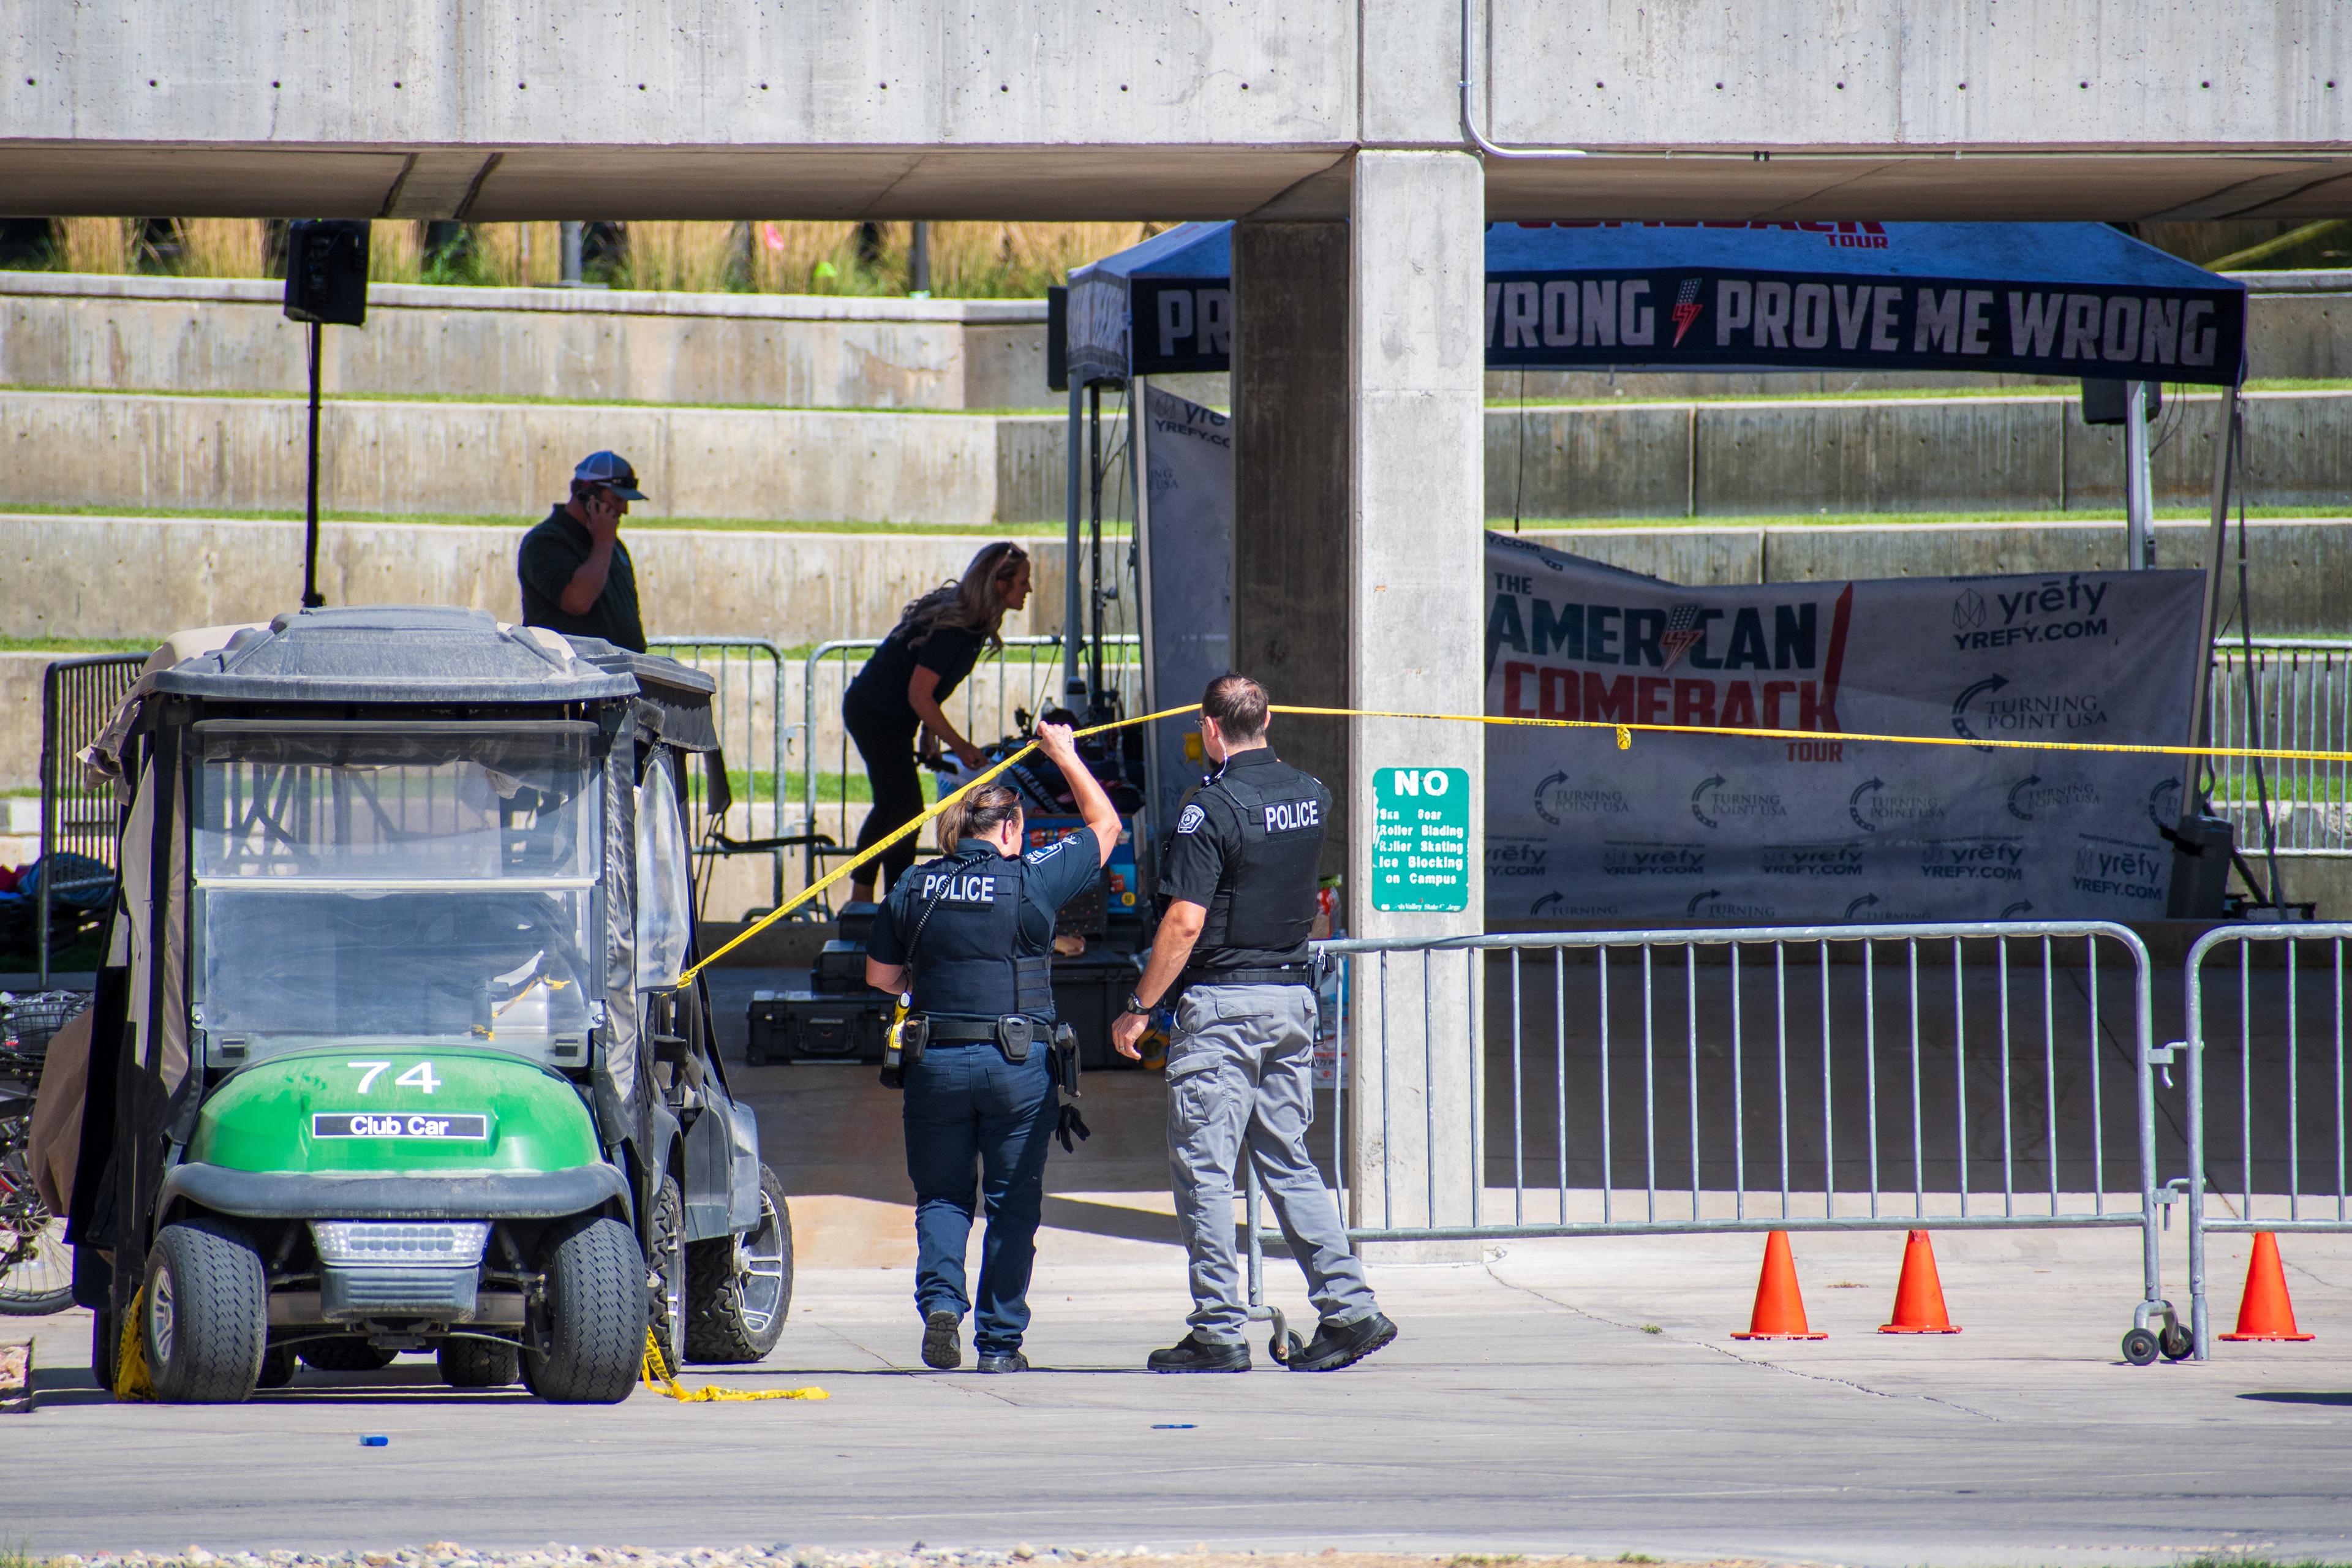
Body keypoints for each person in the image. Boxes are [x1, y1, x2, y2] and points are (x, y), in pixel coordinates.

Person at [1111, 674, 1396, 1374]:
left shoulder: (1208, 810)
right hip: (1291, 1002)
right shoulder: (1311, 793)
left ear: (1211, 728)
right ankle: (1349, 1306)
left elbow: (1184, 921)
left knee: (1205, 1172)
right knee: (1287, 1158)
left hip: (1223, 1008)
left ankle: (1218, 1329)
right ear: (1267, 719)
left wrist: (1141, 1005)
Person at [863, 720, 1118, 1374]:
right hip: (1016, 1066)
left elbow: (880, 978)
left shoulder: (915, 887)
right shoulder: (1031, 880)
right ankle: (1000, 1344)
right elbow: (1106, 826)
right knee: (1011, 1204)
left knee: (943, 1197)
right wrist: (1063, 753)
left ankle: (942, 1306)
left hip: (936, 1063)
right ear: (1009, 829)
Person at [843, 542, 1032, 902]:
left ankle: (863, 898)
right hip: (875, 712)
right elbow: (919, 694)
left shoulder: (973, 624)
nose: (1029, 590)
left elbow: (934, 687)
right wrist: (960, 746)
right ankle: (894, 902)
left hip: (895, 716)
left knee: (892, 805)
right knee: (907, 810)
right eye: (1023, 582)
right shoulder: (957, 629)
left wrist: (929, 735)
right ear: (999, 585)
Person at [517, 451, 649, 653]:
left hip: (621, 675)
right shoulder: (545, 542)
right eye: (617, 499)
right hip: (575, 675)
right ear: (588, 493)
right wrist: (603, 544)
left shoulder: (611, 544)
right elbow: (578, 601)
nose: (625, 510)